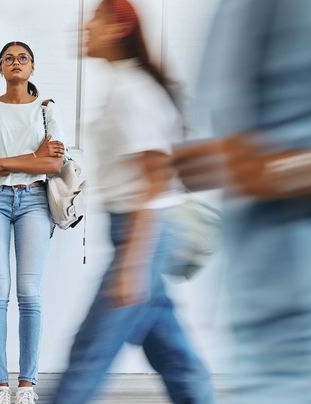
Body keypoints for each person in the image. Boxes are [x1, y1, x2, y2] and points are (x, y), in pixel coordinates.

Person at [174, 0, 311, 402]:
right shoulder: (232, 13)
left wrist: (278, 173)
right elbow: (237, 151)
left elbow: (261, 167)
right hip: (258, 342)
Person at [50, 1, 215, 403]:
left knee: (88, 356)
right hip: (141, 235)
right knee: (176, 358)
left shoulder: (133, 92)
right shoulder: (125, 85)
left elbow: (155, 178)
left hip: (143, 235)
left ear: (119, 28)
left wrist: (134, 263)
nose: (84, 27)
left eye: (95, 19)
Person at [0, 41, 68, 404]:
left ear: (33, 67)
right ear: (0, 68)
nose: (16, 63)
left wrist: (3, 163)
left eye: (23, 58)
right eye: (9, 58)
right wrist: (33, 156)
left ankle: (26, 385)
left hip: (35, 201)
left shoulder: (46, 109)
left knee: (29, 293)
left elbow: (54, 165)